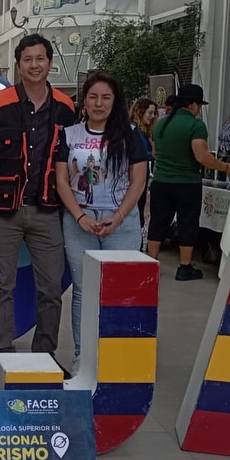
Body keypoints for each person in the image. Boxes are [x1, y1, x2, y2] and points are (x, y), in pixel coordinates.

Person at [0, 33, 76, 380]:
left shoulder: (66, 107)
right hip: (4, 212)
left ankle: (45, 355)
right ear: (18, 65)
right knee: (2, 287)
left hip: (47, 210)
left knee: (51, 288)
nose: (34, 65)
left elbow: (73, 158)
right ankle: (3, 355)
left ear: (50, 63)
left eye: (40, 58)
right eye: (27, 59)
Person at [56, 74, 148, 373]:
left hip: (121, 222)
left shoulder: (131, 134)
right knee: (83, 290)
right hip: (79, 221)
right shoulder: (68, 135)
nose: (99, 103)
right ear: (84, 100)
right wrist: (80, 217)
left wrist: (118, 217)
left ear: (115, 101)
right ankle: (83, 355)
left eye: (106, 97)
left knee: (119, 290)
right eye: (93, 97)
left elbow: (138, 181)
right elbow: (61, 181)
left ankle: (117, 355)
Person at [147, 84, 230, 281]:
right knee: (187, 223)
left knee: (158, 221)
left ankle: (151, 262)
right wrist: (228, 168)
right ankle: (185, 267)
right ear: (194, 105)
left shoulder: (161, 123)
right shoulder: (196, 125)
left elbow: (155, 153)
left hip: (161, 181)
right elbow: (202, 156)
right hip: (187, 182)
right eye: (200, 106)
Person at [129, 97, 157, 229]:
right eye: (150, 113)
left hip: (142, 177)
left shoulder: (144, 131)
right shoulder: (134, 131)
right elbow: (140, 154)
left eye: (154, 113)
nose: (153, 116)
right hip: (134, 177)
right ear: (140, 112)